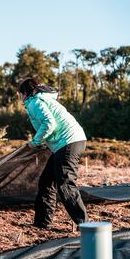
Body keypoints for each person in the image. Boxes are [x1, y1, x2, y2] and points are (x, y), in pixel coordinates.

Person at [18, 77, 89, 229]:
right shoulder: (42, 99)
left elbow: (49, 123)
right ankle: (42, 224)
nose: (20, 98)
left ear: (25, 94)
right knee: (46, 182)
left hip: (69, 142)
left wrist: (35, 142)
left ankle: (85, 226)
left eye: (19, 95)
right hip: (70, 141)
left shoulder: (34, 102)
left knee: (65, 183)